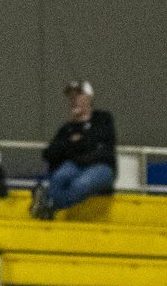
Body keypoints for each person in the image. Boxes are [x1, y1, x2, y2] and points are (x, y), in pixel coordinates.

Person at [31, 80, 116, 219]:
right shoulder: (68, 128)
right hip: (77, 165)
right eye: (72, 96)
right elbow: (49, 153)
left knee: (80, 184)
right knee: (59, 178)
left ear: (89, 98)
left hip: (101, 166)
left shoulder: (102, 118)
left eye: (78, 95)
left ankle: (49, 204)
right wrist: (72, 129)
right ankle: (48, 204)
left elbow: (100, 143)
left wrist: (77, 141)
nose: (74, 99)